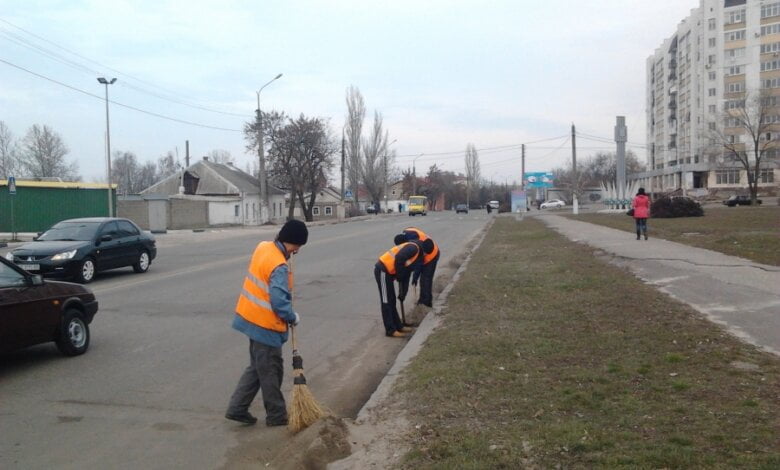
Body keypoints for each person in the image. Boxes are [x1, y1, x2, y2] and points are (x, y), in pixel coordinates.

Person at [225, 219, 307, 426]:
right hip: (265, 325)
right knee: (271, 370)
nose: (297, 251)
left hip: (250, 319)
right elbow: (279, 302)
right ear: (292, 242)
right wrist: (291, 316)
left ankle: (237, 408)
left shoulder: (264, 247)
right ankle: (277, 415)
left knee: (257, 367)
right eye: (297, 246)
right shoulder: (278, 265)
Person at [375, 237, 428, 337]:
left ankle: (398, 326)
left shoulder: (417, 256)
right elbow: (399, 258)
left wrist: (403, 292)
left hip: (389, 273)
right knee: (386, 301)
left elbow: (406, 273)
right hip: (383, 269)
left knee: (392, 300)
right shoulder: (413, 248)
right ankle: (390, 330)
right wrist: (399, 276)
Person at [398, 227, 440, 308]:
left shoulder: (414, 242)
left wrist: (415, 278)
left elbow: (418, 263)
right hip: (425, 253)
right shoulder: (407, 234)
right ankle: (422, 300)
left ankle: (426, 303)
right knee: (423, 280)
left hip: (431, 255)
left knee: (425, 280)